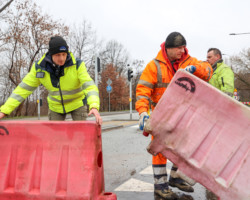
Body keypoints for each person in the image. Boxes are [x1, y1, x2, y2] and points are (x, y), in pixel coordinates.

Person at [136, 32, 213, 199]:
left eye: (183, 47)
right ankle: (161, 185)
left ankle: (176, 177)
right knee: (160, 150)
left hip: (183, 114)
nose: (182, 50)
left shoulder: (190, 61)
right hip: (161, 113)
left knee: (185, 146)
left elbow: (208, 70)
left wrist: (195, 69)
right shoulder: (154, 66)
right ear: (168, 48)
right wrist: (143, 112)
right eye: (178, 48)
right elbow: (143, 92)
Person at [0, 36, 102, 125]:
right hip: (55, 107)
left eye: (64, 54)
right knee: (55, 139)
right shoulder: (40, 68)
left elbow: (89, 86)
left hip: (77, 104)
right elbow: (22, 90)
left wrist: (94, 106)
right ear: (51, 54)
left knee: (80, 136)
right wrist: (4, 111)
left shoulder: (77, 65)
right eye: (58, 55)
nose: (62, 58)